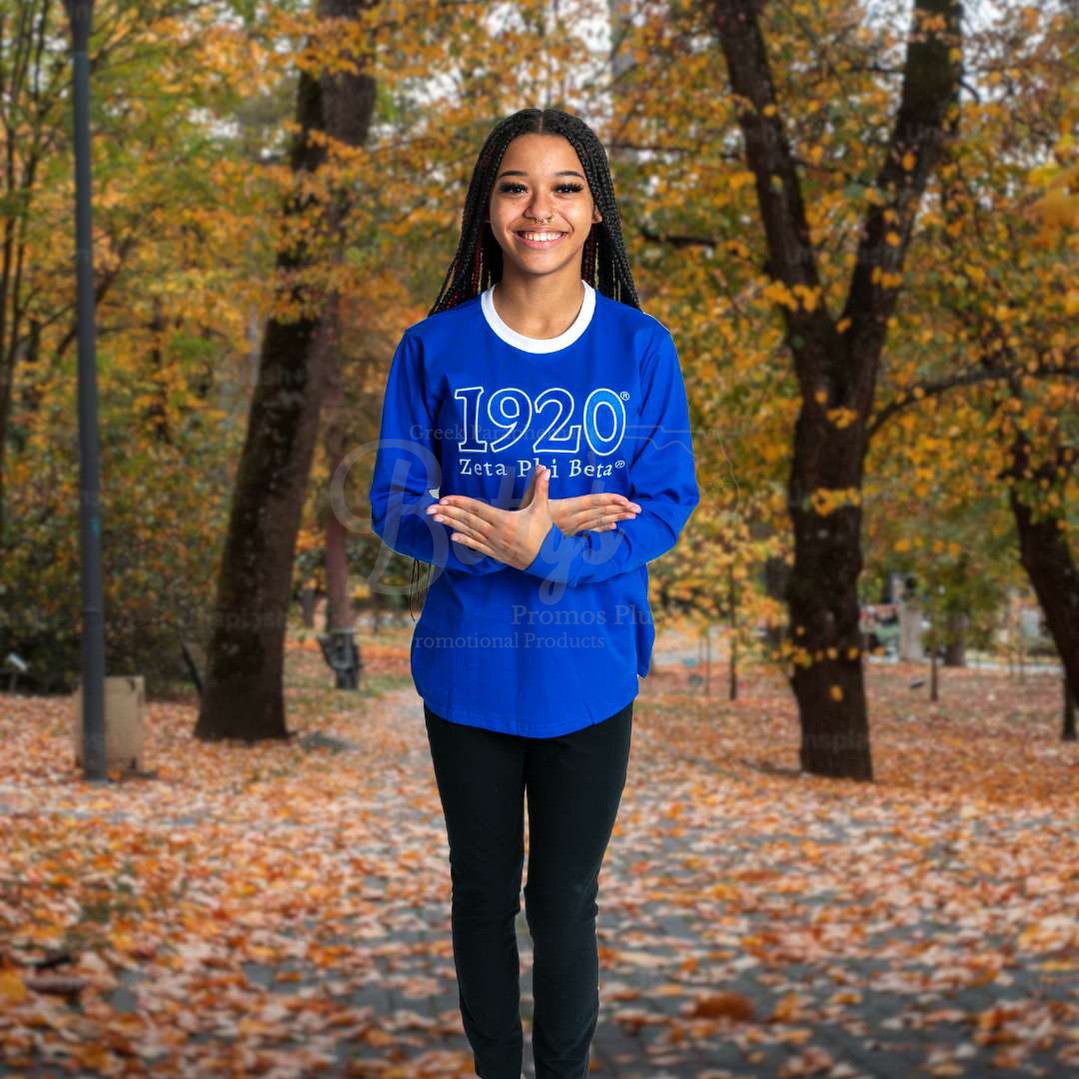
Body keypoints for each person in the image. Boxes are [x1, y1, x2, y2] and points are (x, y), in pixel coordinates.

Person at [368, 107, 699, 1079]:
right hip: (465, 676)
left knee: (563, 900)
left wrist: (545, 549)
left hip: (588, 674)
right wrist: (502, 541)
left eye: (563, 187)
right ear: (487, 207)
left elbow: (664, 507)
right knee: (481, 895)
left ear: (594, 211)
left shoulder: (640, 350)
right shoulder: (431, 349)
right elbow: (392, 502)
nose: (538, 208)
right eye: (515, 186)